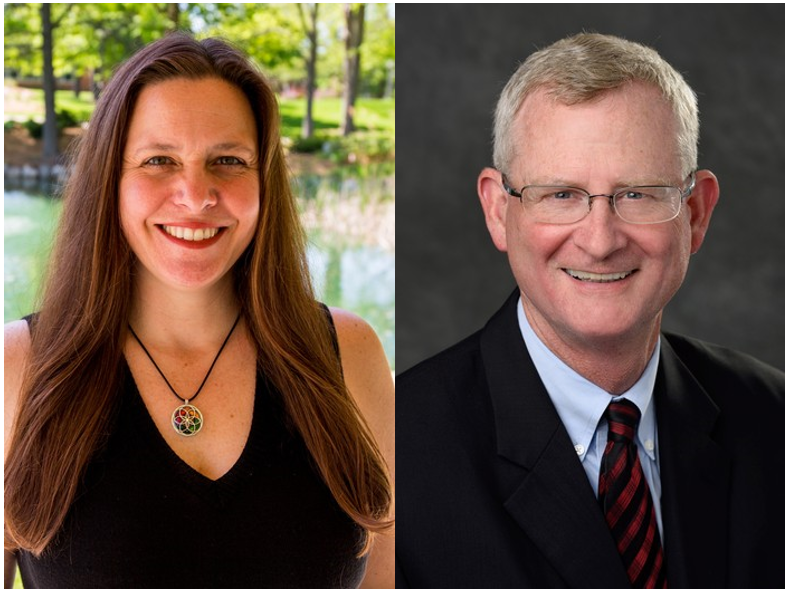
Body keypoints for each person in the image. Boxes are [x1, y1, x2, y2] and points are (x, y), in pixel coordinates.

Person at [4, 33, 394, 589]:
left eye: (228, 160)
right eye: (159, 160)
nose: (195, 193)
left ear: (265, 183)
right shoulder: (18, 367)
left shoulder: (348, 356)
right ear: (109, 181)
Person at [396, 33, 783, 589]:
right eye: (560, 194)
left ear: (696, 214)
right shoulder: (399, 450)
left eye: (639, 194)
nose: (600, 242)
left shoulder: (774, 421)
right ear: (498, 211)